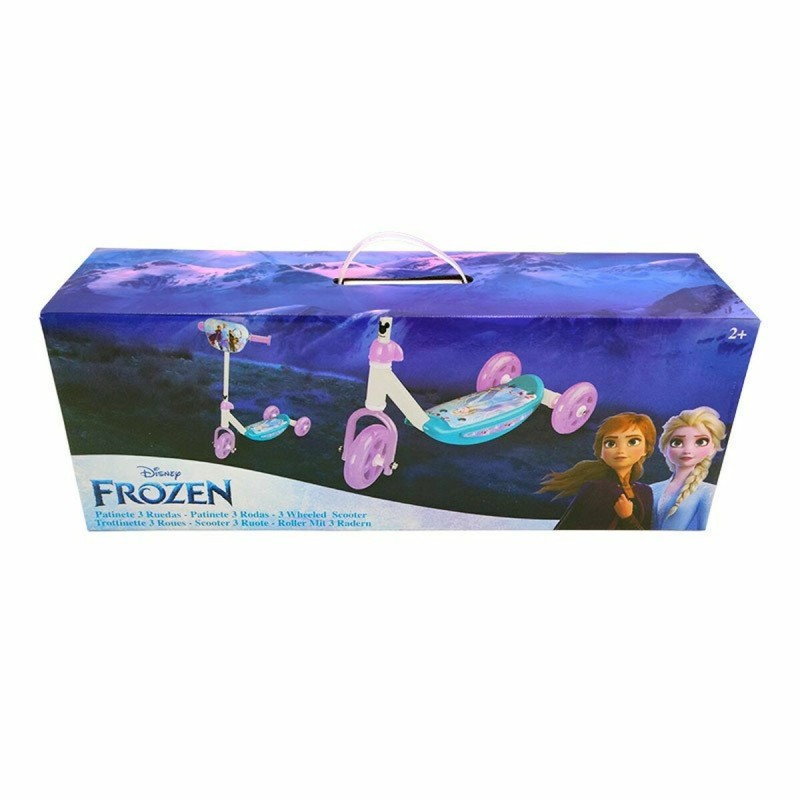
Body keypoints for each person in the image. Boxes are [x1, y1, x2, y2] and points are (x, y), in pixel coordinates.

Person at [539, 412, 657, 529]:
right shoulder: (595, 489)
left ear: (646, 449)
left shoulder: (645, 492)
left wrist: (628, 518)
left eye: (633, 441)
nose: (621, 450)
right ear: (601, 452)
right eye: (611, 443)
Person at [650, 407, 726, 530]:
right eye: (677, 442)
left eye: (700, 442)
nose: (687, 450)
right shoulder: (652, 489)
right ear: (665, 447)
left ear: (713, 447)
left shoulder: (709, 492)